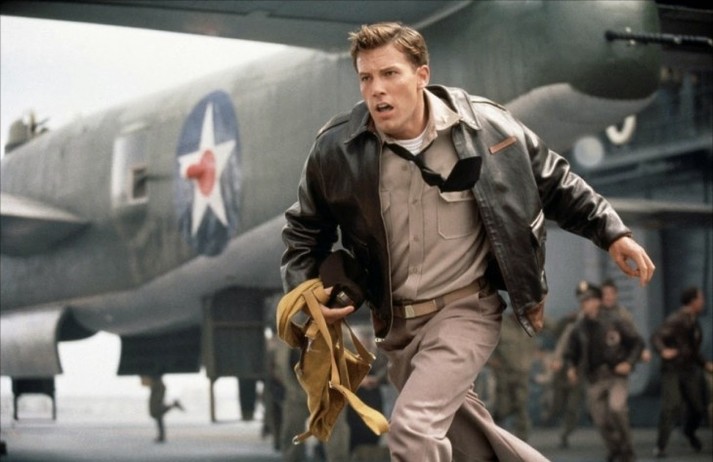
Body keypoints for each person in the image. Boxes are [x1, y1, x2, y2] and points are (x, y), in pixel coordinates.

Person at [280, 22, 655, 461]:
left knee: (412, 431)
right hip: (397, 327)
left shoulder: (487, 127)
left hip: (465, 311)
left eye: (390, 74)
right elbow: (304, 230)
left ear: (421, 75)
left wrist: (611, 232)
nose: (376, 89)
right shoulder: (337, 149)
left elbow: (554, 181)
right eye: (366, 77)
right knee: (474, 444)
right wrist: (304, 294)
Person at [563, 282, 645, 462]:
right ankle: (615, 449)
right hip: (594, 378)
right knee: (600, 419)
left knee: (617, 409)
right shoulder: (579, 327)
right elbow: (571, 352)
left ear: (598, 301)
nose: (585, 304)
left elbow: (637, 342)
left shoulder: (615, 321)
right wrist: (571, 368)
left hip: (616, 375)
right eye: (583, 301)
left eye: (589, 300)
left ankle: (628, 451)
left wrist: (628, 362)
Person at [650, 286, 713, 458]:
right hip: (673, 369)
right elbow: (657, 336)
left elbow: (692, 349)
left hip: (689, 369)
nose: (702, 302)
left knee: (698, 407)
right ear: (692, 301)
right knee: (671, 405)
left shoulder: (693, 321)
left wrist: (704, 364)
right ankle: (660, 445)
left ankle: (689, 432)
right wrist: (663, 350)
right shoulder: (677, 319)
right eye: (700, 299)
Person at [488, 311, 536, 441]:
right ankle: (493, 430)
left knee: (521, 404)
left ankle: (522, 439)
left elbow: (548, 328)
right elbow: (487, 344)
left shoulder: (528, 324)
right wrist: (491, 361)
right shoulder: (501, 325)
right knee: (503, 407)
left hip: (522, 373)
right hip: (504, 373)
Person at [601, 278, 651, 363]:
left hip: (620, 357)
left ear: (616, 295)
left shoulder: (623, 315)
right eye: (605, 294)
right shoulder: (596, 314)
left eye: (611, 293)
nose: (608, 297)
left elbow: (633, 335)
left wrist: (642, 351)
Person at [142, 375, 184, 443]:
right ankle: (161, 436)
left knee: (156, 411)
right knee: (157, 413)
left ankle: (161, 436)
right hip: (156, 387)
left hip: (157, 387)